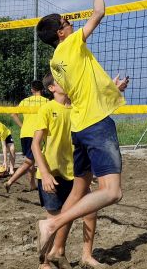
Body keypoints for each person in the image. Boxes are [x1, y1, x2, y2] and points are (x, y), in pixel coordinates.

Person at [34, 0, 130, 262]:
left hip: (80, 125)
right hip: (96, 124)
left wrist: (110, 89)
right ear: (61, 34)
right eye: (66, 23)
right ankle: (51, 224)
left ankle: (58, 250)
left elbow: (79, 90)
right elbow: (98, 13)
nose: (71, 24)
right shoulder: (73, 43)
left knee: (79, 190)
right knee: (112, 192)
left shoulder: (55, 63)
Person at [33, 73, 100, 268]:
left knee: (91, 210)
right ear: (52, 88)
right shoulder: (47, 109)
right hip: (51, 174)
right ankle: (45, 262)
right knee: (54, 220)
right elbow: (36, 145)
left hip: (76, 173)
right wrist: (44, 173)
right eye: (61, 80)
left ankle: (86, 256)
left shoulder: (78, 109)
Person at [5, 80, 48, 193]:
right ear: (42, 89)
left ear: (32, 90)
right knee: (30, 161)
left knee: (31, 160)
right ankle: (10, 182)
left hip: (24, 134)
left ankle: (33, 185)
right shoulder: (46, 102)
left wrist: (22, 126)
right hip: (37, 135)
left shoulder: (25, 101)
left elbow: (13, 114)